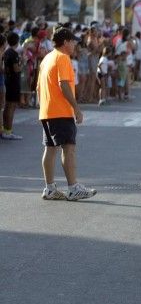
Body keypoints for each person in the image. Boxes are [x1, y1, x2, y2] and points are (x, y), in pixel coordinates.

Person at [37, 27, 97, 201]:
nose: (74, 45)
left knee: (50, 149)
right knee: (68, 148)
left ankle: (50, 188)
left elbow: (39, 87)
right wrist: (76, 108)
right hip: (60, 111)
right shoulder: (63, 58)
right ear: (65, 42)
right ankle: (73, 188)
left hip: (47, 110)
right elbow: (63, 85)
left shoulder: (47, 58)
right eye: (72, 42)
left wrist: (43, 108)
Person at [2, 32, 22, 140]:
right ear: (17, 41)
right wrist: (21, 64)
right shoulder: (13, 54)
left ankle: (6, 129)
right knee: (11, 106)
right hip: (13, 82)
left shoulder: (6, 52)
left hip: (8, 81)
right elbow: (16, 69)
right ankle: (8, 131)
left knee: (7, 106)